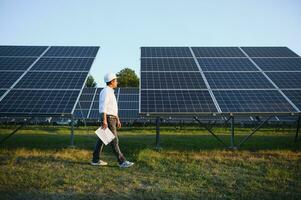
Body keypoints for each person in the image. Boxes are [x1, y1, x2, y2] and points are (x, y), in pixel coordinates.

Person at [91, 73, 134, 168]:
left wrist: (118, 119)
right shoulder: (105, 91)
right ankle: (122, 161)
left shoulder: (110, 91)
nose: (117, 82)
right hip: (108, 119)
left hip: (112, 118)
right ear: (112, 81)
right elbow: (103, 107)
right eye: (116, 80)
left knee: (102, 139)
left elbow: (113, 108)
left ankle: (95, 160)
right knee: (114, 140)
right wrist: (105, 120)